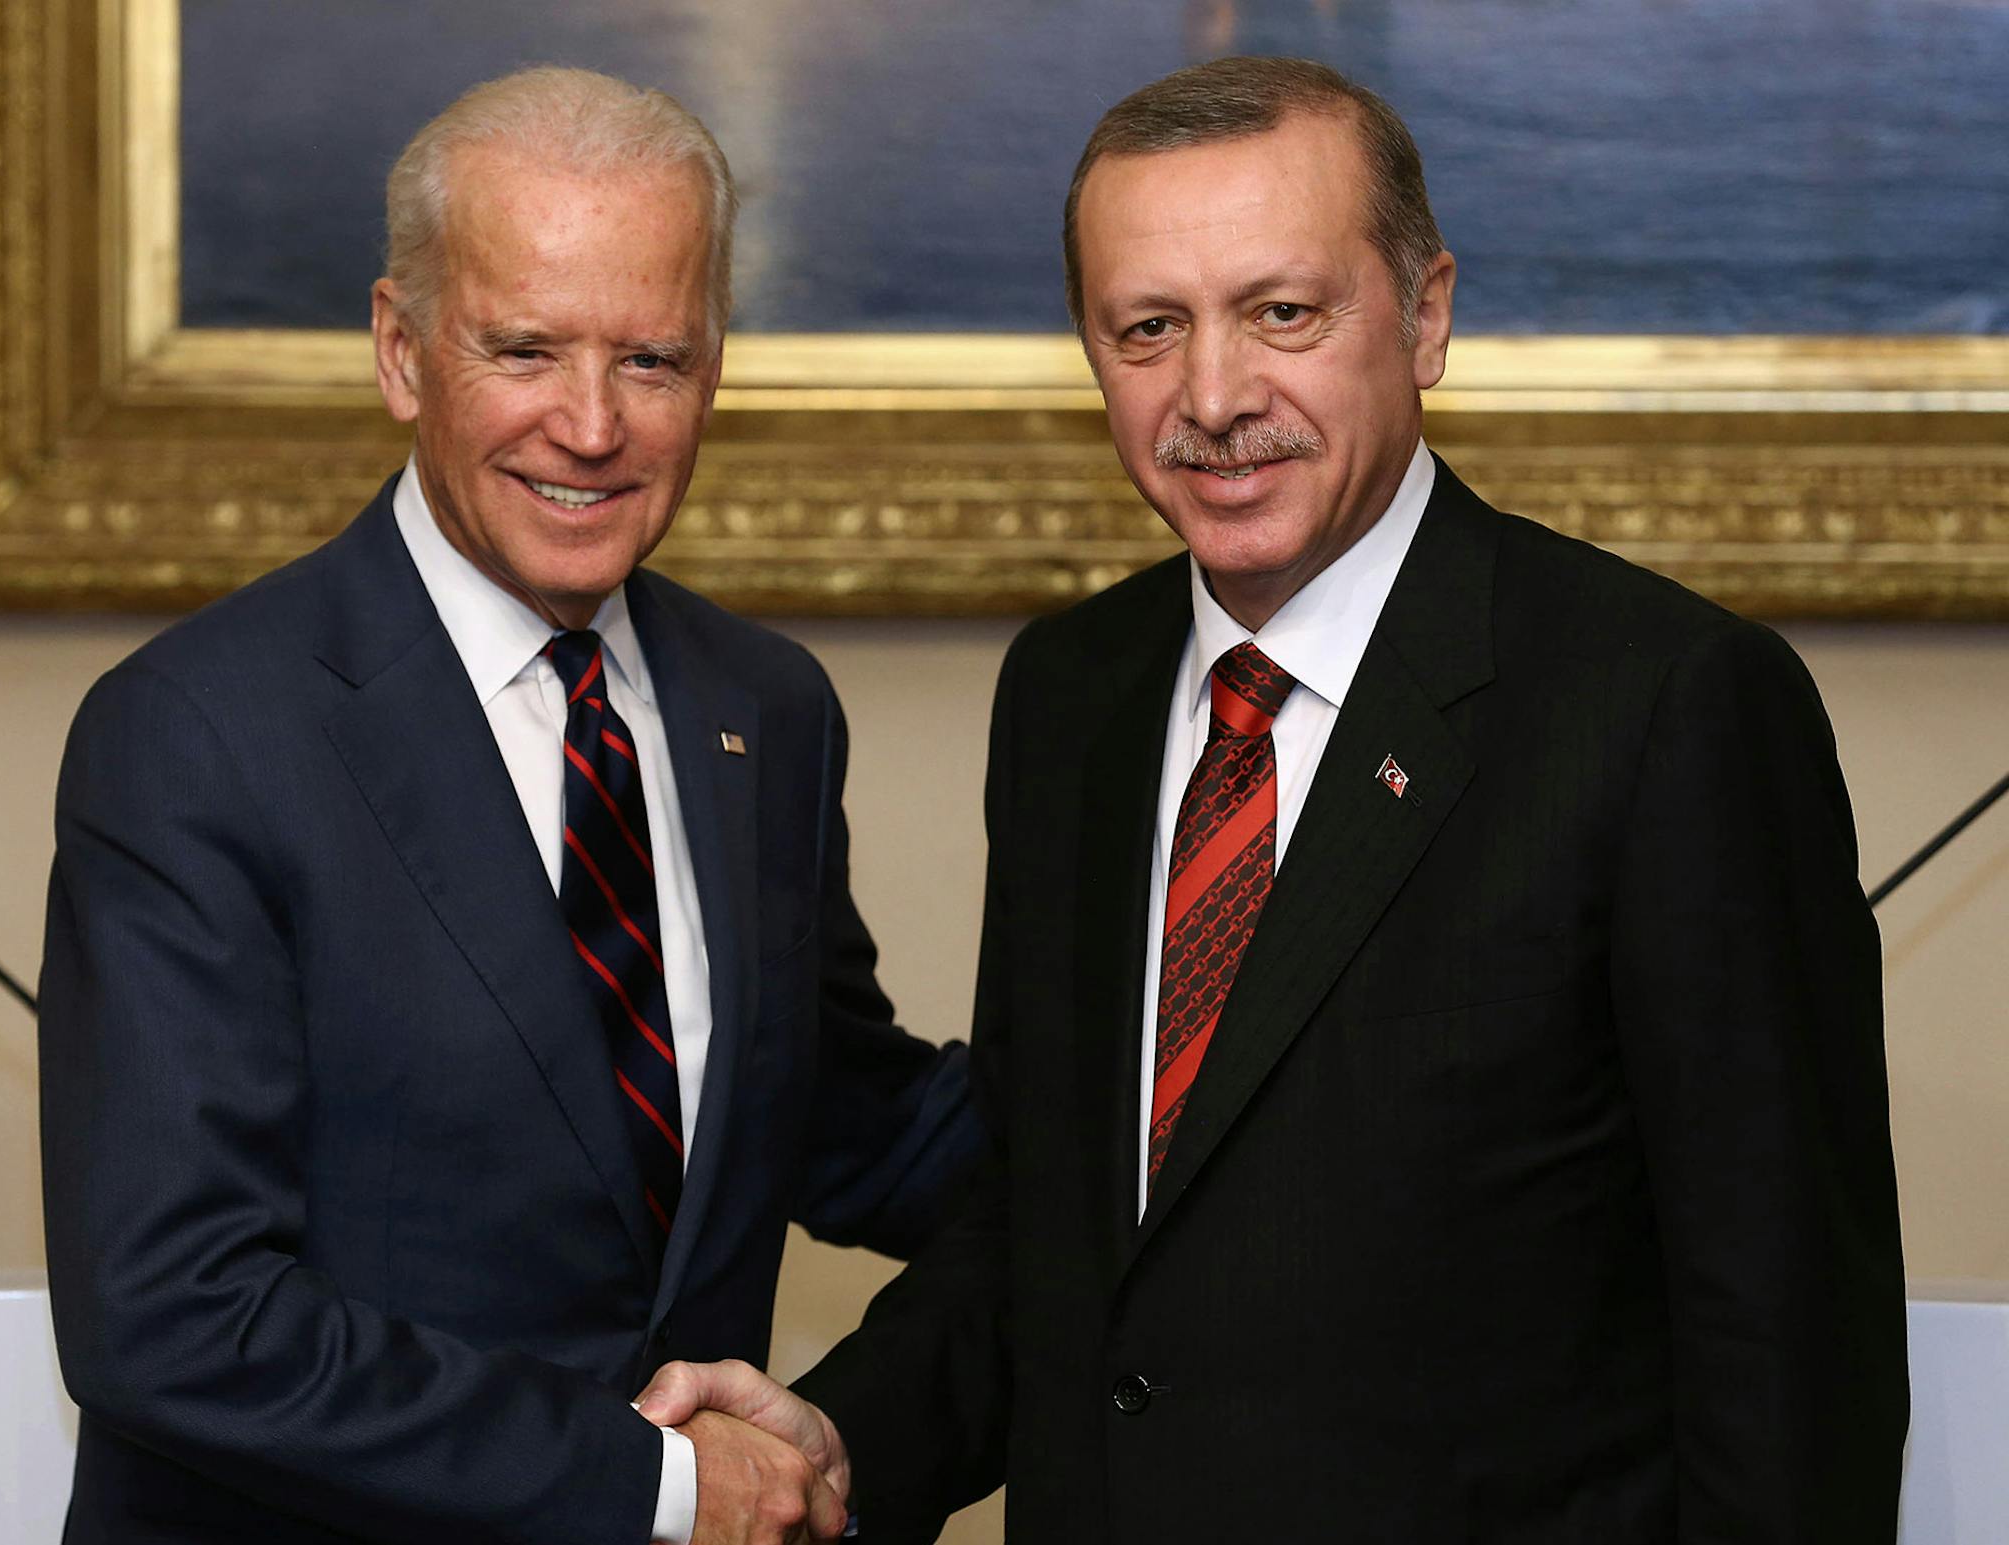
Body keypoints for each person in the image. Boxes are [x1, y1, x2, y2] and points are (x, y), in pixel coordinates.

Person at [637, 55, 1909, 1543]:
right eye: (1150, 328)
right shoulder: (1072, 695)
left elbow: (1791, 1364)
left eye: (1282, 312)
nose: (1216, 396)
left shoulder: (1665, 707)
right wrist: (834, 1449)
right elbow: (1053, 1230)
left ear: (1425, 313)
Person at [38, 67, 980, 1545]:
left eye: (654, 358)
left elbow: (845, 1119)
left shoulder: (765, 709)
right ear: (402, 352)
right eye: (526, 349)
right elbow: (173, 1315)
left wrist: (1205, 1115)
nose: (592, 426)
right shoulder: (199, 734)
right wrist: (665, 1484)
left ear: (715, 362)